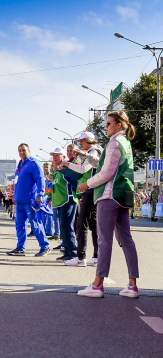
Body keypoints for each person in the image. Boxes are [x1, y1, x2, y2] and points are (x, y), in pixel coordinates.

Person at [77, 111, 140, 298]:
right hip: (123, 195)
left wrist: (86, 184)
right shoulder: (126, 143)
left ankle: (97, 285)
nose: (106, 127)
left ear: (119, 125)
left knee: (104, 241)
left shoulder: (114, 143)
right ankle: (132, 285)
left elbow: (106, 173)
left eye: (109, 123)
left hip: (109, 195)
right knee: (126, 240)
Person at [62, 132, 102, 267]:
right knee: (93, 224)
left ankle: (81, 257)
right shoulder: (94, 150)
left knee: (82, 223)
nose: (80, 144)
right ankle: (96, 256)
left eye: (82, 142)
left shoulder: (94, 151)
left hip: (91, 189)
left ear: (88, 140)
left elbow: (84, 168)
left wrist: (68, 165)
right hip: (95, 189)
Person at [7, 144, 51, 257]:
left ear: (29, 151)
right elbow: (17, 182)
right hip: (20, 200)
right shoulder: (20, 164)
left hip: (31, 200)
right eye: (20, 150)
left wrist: (40, 194)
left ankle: (45, 246)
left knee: (35, 224)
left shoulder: (33, 162)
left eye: (24, 150)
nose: (22, 152)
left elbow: (40, 178)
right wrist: (14, 195)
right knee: (20, 225)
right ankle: (20, 248)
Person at [52, 147, 79, 261]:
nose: (54, 158)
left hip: (68, 200)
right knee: (63, 227)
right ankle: (67, 251)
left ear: (63, 157)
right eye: (53, 156)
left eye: (57, 155)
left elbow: (75, 181)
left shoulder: (66, 167)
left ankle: (73, 253)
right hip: (60, 202)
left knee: (67, 227)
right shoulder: (58, 170)